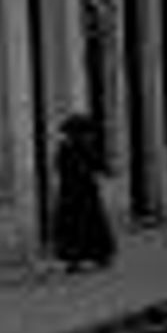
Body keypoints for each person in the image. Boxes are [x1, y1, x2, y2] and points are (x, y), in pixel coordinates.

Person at [49, 114, 117, 271]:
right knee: (76, 227)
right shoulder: (67, 149)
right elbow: (62, 168)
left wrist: (104, 169)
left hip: (81, 193)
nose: (88, 136)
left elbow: (96, 162)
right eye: (84, 133)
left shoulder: (80, 148)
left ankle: (95, 255)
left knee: (88, 226)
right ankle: (75, 258)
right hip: (75, 194)